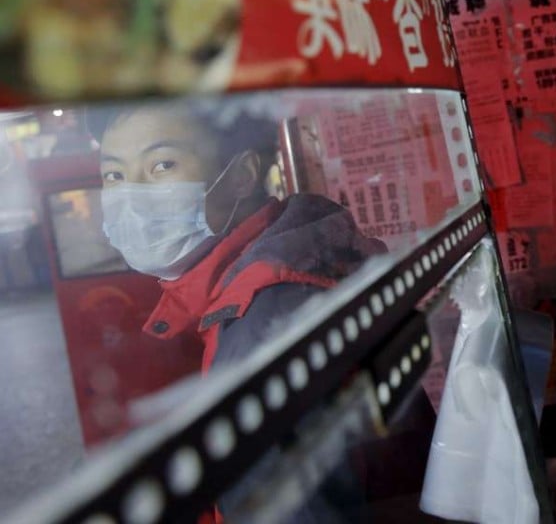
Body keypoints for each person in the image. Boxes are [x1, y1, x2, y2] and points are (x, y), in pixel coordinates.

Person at [91, 100, 388, 372]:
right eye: (115, 175)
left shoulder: (268, 320)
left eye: (163, 165)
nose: (132, 198)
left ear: (242, 175)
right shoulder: (302, 247)